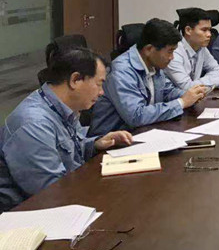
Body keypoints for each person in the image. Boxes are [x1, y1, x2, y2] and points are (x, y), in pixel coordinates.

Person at [0, 48, 133, 211]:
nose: (101, 92)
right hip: (32, 214)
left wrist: (95, 144)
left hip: (66, 197)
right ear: (75, 80)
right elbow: (51, 192)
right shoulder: (34, 124)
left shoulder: (62, 107)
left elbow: (70, 150)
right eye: (99, 84)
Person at [89, 18, 206, 137]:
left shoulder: (154, 64)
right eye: (169, 51)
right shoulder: (122, 71)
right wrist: (181, 102)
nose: (172, 58)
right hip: (113, 140)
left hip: (144, 132)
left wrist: (190, 95)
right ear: (149, 49)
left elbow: (167, 91)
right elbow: (136, 116)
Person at [165, 7, 219, 91]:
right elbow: (186, 87)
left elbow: (217, 70)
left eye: (209, 30)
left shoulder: (201, 48)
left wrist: (201, 82)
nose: (209, 34)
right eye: (204, 30)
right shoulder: (174, 53)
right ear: (188, 30)